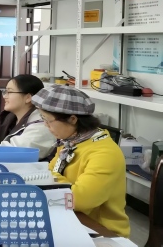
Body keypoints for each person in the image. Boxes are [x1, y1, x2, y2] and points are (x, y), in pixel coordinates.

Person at [32, 85, 130, 237]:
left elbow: (79, 199)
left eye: (48, 120)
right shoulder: (71, 142)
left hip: (101, 232)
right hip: (71, 218)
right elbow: (49, 172)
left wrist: (53, 181)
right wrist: (56, 181)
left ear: (72, 119)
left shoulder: (105, 153)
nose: (46, 125)